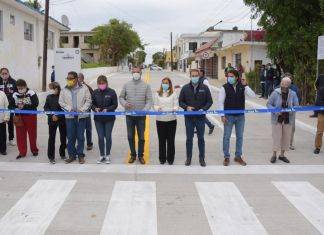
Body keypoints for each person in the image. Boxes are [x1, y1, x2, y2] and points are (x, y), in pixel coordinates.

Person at [218, 70, 255, 166]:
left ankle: (238, 156)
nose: (229, 78)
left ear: (236, 77)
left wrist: (246, 85)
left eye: (231, 76)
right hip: (228, 116)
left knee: (240, 137)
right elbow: (220, 102)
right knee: (226, 137)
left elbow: (253, 96)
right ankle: (226, 157)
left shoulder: (242, 87)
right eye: (228, 76)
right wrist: (222, 115)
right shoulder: (224, 88)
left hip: (240, 117)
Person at [179, 69, 213, 167]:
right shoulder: (185, 88)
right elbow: (180, 101)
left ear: (199, 76)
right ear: (190, 76)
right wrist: (186, 107)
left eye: (196, 75)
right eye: (192, 75)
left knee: (201, 138)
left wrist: (204, 109)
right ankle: (188, 158)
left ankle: (201, 158)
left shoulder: (205, 88)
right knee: (189, 139)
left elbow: (210, 101)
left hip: (200, 118)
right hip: (189, 118)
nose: (194, 77)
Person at [119, 66, 153, 165]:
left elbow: (149, 100)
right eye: (134, 72)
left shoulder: (146, 86)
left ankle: (141, 155)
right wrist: (125, 104)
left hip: (141, 116)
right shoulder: (126, 85)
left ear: (141, 73)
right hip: (129, 116)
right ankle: (133, 155)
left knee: (141, 137)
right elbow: (121, 97)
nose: (136, 74)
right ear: (132, 73)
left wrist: (145, 110)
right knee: (130, 136)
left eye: (137, 72)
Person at [59, 71, 92, 164]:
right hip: (69, 117)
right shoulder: (64, 89)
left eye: (71, 78)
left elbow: (88, 101)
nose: (69, 80)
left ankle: (80, 155)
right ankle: (72, 156)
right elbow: (61, 102)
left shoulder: (84, 88)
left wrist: (81, 110)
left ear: (76, 79)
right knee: (70, 137)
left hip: (81, 117)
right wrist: (70, 109)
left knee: (80, 137)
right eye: (68, 78)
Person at [267, 77, 299, 164]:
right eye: (282, 83)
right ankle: (274, 155)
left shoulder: (293, 94)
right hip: (277, 119)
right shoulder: (275, 93)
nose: (283, 85)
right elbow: (269, 104)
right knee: (276, 138)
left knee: (286, 138)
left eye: (286, 84)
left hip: (288, 119)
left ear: (289, 85)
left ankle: (282, 155)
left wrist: (292, 108)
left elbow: (297, 105)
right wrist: (276, 111)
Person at [92, 75, 118, 164]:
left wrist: (108, 109)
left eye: (103, 83)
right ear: (97, 84)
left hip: (109, 119)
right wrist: (95, 108)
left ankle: (108, 155)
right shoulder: (95, 92)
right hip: (98, 119)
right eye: (100, 84)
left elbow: (115, 104)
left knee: (107, 136)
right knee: (100, 137)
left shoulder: (111, 92)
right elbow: (92, 104)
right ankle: (102, 155)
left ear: (106, 83)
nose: (101, 85)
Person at [154, 77, 178, 165]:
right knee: (162, 140)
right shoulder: (157, 94)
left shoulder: (174, 94)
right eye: (163, 83)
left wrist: (174, 109)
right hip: (160, 120)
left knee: (171, 140)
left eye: (166, 83)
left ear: (170, 84)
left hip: (171, 120)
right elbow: (155, 105)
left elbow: (176, 105)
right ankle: (162, 158)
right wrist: (157, 108)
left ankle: (170, 158)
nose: (165, 84)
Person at [12, 79, 39, 159]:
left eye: (22, 87)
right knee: (20, 135)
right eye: (18, 88)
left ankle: (34, 150)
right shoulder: (15, 94)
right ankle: (22, 152)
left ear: (25, 86)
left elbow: (35, 104)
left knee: (32, 134)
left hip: (30, 116)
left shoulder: (31, 93)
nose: (20, 89)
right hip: (19, 117)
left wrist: (24, 106)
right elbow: (10, 105)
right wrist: (15, 108)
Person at [44, 82, 67, 164]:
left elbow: (65, 109)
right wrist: (52, 115)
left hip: (62, 120)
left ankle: (62, 153)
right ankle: (51, 156)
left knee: (63, 138)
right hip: (52, 120)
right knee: (51, 138)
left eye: (54, 89)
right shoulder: (49, 97)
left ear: (58, 88)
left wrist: (58, 116)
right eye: (51, 89)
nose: (53, 90)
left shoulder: (62, 97)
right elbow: (46, 108)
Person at [0, 68, 17, 146]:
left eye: (6, 73)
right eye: (2, 74)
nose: (4, 75)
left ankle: (11, 138)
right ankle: (2, 139)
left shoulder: (13, 82)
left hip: (10, 106)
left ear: (8, 73)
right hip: (1, 106)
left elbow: (17, 94)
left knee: (10, 122)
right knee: (1, 123)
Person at [78, 73, 94, 151]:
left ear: (82, 79)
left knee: (88, 128)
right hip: (77, 112)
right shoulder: (74, 87)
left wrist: (86, 108)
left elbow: (92, 100)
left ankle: (89, 143)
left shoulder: (88, 88)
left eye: (78, 78)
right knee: (77, 129)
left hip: (86, 112)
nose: (77, 79)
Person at [199, 69, 215, 135]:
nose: (198, 73)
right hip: (199, 100)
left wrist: (208, 99)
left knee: (201, 115)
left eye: (199, 72)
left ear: (202, 73)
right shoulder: (199, 79)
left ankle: (210, 126)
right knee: (199, 115)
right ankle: (199, 128)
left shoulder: (204, 80)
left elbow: (208, 89)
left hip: (203, 100)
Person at [314, 86, 324, 154]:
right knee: (320, 131)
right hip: (322, 113)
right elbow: (318, 102)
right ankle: (317, 147)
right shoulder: (321, 90)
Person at [0, 90, 10, 155]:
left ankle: (3, 149)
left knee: (2, 136)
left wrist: (6, 117)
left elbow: (7, 106)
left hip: (2, 119)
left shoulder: (2, 94)